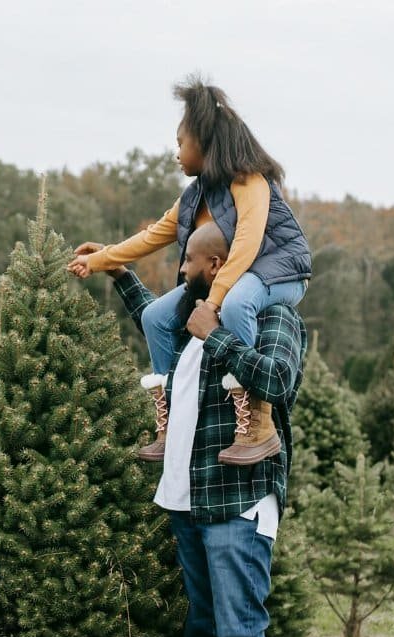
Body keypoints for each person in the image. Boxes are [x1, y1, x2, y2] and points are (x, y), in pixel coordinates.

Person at [96, 222, 307, 637]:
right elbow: (153, 323)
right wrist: (119, 273)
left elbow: (277, 379)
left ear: (215, 265)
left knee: (240, 635)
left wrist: (217, 336)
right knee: (204, 633)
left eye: (187, 259)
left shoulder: (269, 316)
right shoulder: (199, 316)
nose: (181, 267)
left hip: (237, 500)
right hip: (188, 499)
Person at [69, 75, 311, 465]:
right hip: (234, 279)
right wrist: (99, 260)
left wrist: (213, 303)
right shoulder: (193, 197)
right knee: (155, 316)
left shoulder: (248, 180)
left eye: (181, 143)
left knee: (235, 306)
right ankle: (169, 426)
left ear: (204, 142)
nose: (176, 152)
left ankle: (256, 424)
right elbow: (152, 236)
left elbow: (247, 245)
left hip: (280, 273)